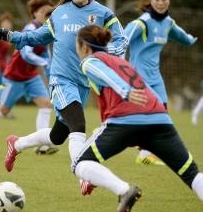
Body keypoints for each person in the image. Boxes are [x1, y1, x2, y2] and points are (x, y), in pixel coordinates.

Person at [0, 0, 129, 174]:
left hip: (84, 82)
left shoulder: (103, 13)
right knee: (79, 126)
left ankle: (16, 144)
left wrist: (106, 52)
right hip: (61, 79)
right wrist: (14, 36)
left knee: (57, 136)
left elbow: (121, 40)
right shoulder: (59, 13)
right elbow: (38, 36)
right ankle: (82, 172)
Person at [72, 25, 203, 211]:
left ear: (84, 46)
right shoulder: (121, 61)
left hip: (125, 122)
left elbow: (106, 75)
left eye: (75, 44)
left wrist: (125, 91)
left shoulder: (90, 61)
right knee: (192, 174)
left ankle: (124, 190)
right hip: (159, 120)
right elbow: (147, 91)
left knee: (79, 163)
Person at [0, 0, 58, 155]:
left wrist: (50, 69)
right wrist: (45, 63)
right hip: (15, 76)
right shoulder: (30, 28)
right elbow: (26, 54)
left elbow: (45, 54)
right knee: (4, 110)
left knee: (45, 104)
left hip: (31, 76)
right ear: (35, 13)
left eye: (49, 11)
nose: (47, 14)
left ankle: (42, 145)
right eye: (44, 10)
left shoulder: (46, 29)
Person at [124, 0, 197, 165]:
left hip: (155, 76)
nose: (161, 2)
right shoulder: (142, 22)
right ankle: (144, 151)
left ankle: (145, 151)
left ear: (168, 1)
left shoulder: (168, 23)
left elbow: (182, 37)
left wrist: (191, 40)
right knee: (149, 114)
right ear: (151, 1)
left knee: (162, 112)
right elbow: (122, 40)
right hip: (138, 75)